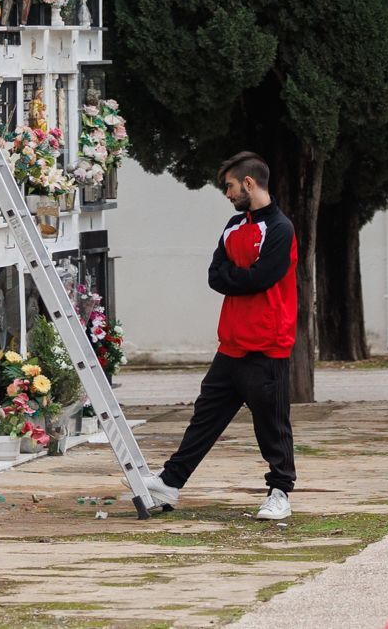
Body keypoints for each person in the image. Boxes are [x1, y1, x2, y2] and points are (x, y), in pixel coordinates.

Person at [145, 151, 298, 520]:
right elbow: (215, 276)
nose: (226, 194)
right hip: (231, 344)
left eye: (229, 186)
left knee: (271, 424)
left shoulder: (280, 228)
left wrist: (237, 277)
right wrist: (239, 278)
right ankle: (171, 482)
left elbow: (262, 278)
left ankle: (280, 493)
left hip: (267, 345)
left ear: (248, 183)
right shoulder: (232, 225)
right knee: (205, 416)